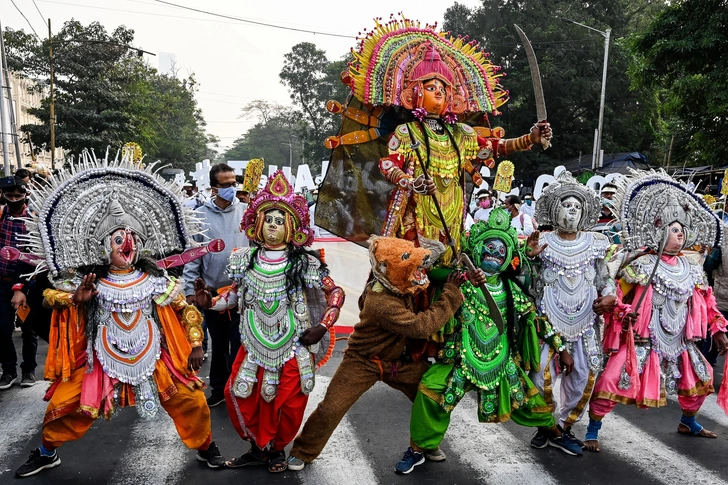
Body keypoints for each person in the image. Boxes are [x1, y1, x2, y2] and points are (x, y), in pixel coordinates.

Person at [15, 151, 226, 478]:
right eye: (118, 238)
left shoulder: (156, 280)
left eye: (132, 238)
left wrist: (196, 344)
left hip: (154, 354)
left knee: (191, 399)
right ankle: (46, 452)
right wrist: (76, 298)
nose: (126, 243)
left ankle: (206, 445)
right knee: (66, 404)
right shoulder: (91, 281)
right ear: (104, 247)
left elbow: (185, 310)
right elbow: (47, 299)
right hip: (101, 356)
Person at [395, 209, 581, 475]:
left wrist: (561, 349)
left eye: (501, 250)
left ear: (507, 258)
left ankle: (554, 432)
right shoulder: (461, 281)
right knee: (429, 390)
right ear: (479, 249)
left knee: (529, 403)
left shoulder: (511, 289)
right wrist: (462, 277)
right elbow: (434, 275)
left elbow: (536, 320)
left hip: (501, 360)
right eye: (489, 247)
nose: (494, 253)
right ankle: (418, 448)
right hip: (461, 357)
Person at [197, 171, 345, 473]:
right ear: (257, 224)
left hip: (293, 344)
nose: (273, 226)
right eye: (268, 220)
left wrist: (323, 326)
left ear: (291, 227)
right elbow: (234, 297)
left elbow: (335, 293)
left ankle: (277, 450)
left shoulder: (304, 261)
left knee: (289, 403)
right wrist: (210, 303)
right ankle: (256, 449)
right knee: (240, 395)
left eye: (280, 221)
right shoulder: (245, 259)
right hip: (253, 343)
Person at [287, 235, 468, 471]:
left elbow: (418, 264)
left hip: (399, 362)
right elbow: (421, 326)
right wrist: (452, 293)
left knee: (430, 397)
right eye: (411, 268)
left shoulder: (390, 276)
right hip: (363, 361)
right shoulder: (382, 302)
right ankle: (302, 451)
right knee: (331, 408)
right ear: (389, 269)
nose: (418, 273)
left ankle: (424, 443)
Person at [587, 171, 727, 453]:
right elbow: (613, 293)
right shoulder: (640, 262)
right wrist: (624, 311)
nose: (680, 236)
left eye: (682, 231)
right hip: (643, 339)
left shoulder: (691, 267)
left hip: (680, 340)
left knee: (701, 380)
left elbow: (706, 300)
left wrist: (718, 329)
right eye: (675, 230)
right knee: (612, 380)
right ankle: (592, 430)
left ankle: (689, 421)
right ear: (661, 230)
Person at [526, 170, 615, 449]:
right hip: (547, 323)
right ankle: (546, 426)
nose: (572, 211)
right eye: (566, 205)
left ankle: (564, 428)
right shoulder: (541, 243)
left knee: (581, 378)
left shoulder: (596, 244)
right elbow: (526, 282)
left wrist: (610, 297)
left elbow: (604, 278)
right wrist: (528, 259)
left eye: (577, 206)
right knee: (539, 377)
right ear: (554, 209)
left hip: (586, 323)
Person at [183, 163, 248, 408]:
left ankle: (238, 388)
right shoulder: (200, 217)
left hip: (242, 292)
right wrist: (190, 292)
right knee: (218, 344)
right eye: (226, 185)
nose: (232, 188)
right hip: (211, 296)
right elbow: (192, 256)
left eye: (234, 183)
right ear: (214, 188)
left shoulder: (246, 213)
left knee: (240, 343)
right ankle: (220, 389)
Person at [0, 176, 38, 390]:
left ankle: (29, 370)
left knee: (28, 328)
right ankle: (8, 370)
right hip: (1, 281)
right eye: (9, 195)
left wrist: (20, 287)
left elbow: (34, 257)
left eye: (18, 195)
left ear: (25, 196)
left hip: (26, 283)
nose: (13, 199)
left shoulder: (34, 220)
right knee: (2, 328)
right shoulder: (0, 215)